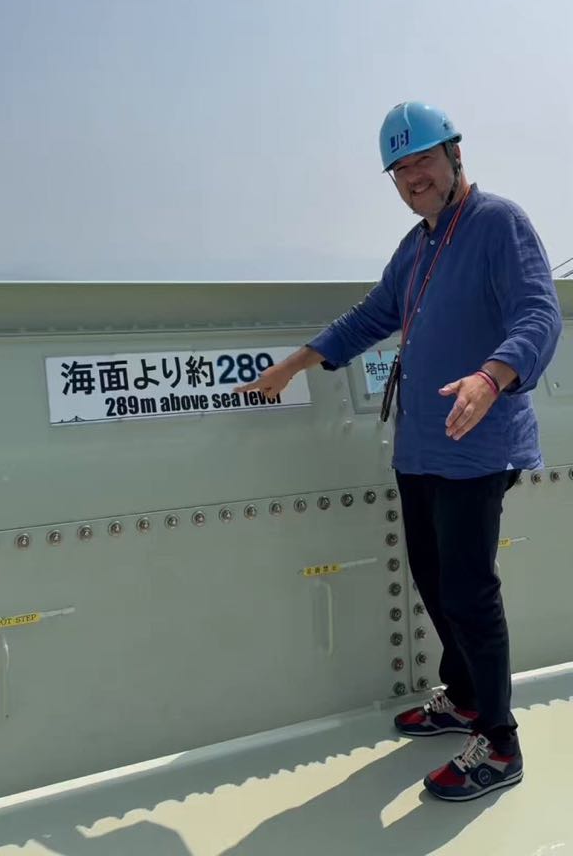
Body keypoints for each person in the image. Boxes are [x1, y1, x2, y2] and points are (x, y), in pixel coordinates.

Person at [234, 101, 562, 802]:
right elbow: (374, 315)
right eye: (401, 167)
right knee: (433, 576)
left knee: (470, 590)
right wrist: (298, 363)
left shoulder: (499, 223)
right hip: (419, 446)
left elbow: (539, 311)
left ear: (455, 156)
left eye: (424, 160)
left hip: (479, 444)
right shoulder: (416, 248)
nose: (413, 175)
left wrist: (488, 375)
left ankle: (500, 743)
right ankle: (467, 696)